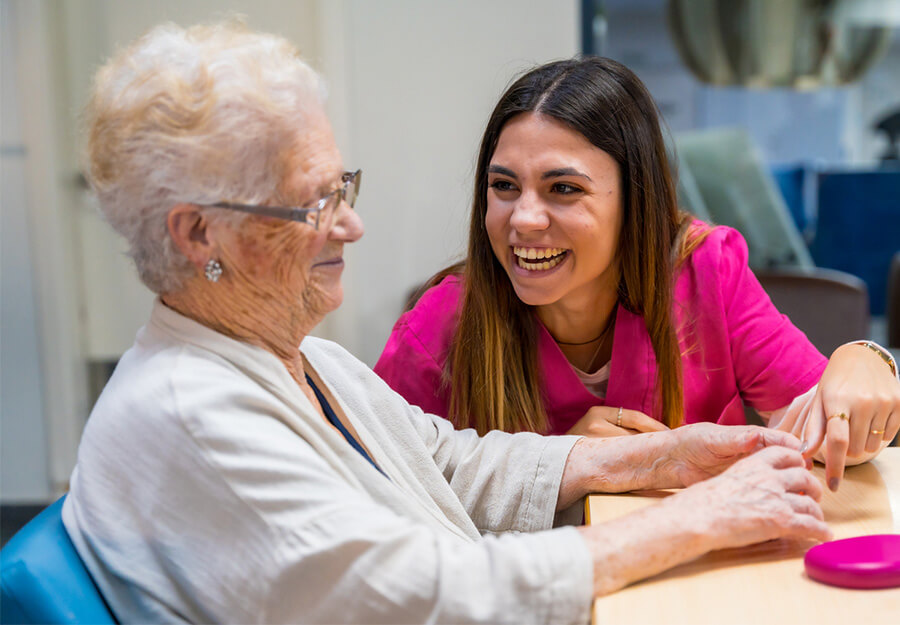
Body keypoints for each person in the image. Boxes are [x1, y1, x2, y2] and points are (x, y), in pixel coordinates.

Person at [63, 23, 832, 624]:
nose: (351, 225)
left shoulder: (294, 362)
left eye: (345, 188)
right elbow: (425, 594)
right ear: (199, 235)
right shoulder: (195, 418)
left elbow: (444, 459)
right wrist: (697, 518)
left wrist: (659, 457)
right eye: (313, 203)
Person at [375, 56, 900, 493]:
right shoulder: (440, 327)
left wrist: (868, 362)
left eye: (563, 188)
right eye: (505, 186)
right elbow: (371, 496)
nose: (524, 219)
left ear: (635, 201)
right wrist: (556, 469)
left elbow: (829, 434)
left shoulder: (706, 272)